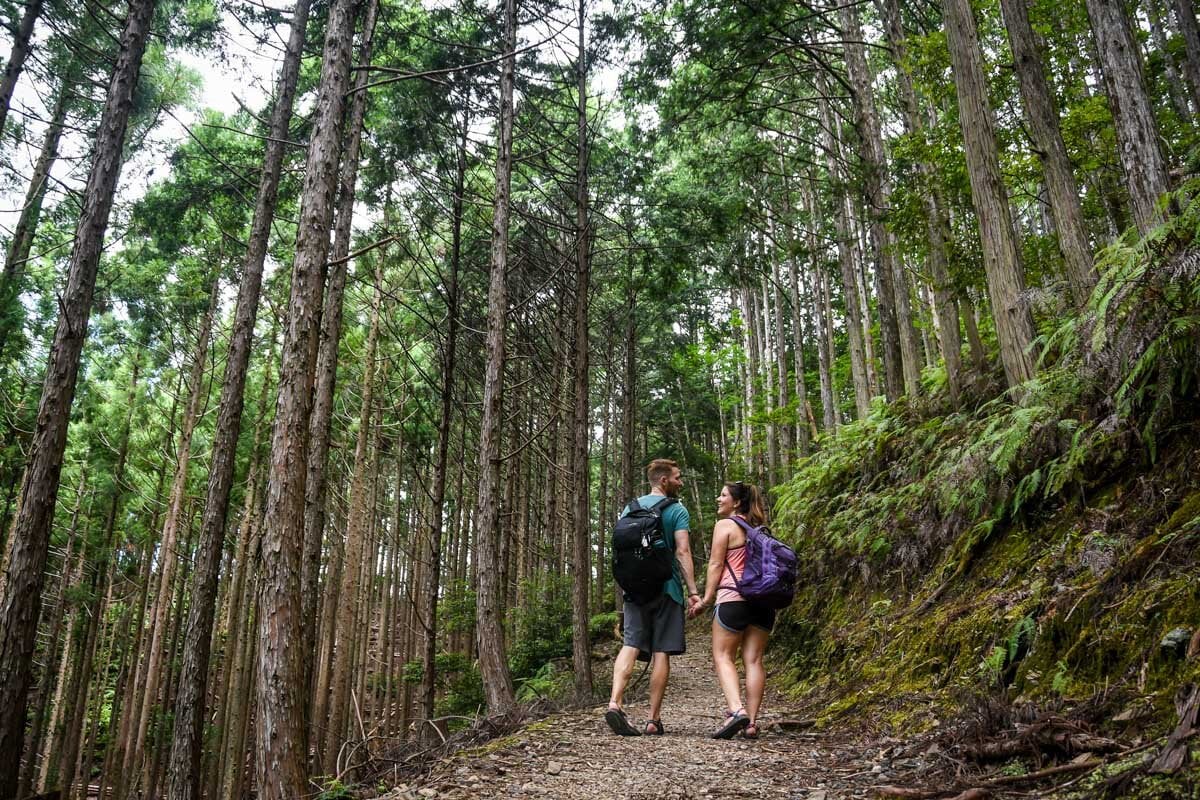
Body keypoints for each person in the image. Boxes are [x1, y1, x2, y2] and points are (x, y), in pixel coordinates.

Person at [605, 458, 702, 736]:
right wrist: (693, 592)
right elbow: (682, 552)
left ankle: (615, 703)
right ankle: (652, 719)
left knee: (631, 643)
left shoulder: (630, 507)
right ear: (664, 480)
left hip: (634, 589)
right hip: (666, 588)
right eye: (677, 477)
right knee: (661, 651)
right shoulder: (676, 510)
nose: (680, 482)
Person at [695, 480, 775, 740]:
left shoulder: (725, 526)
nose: (718, 499)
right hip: (764, 602)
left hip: (733, 599)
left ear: (737, 502)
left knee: (722, 655)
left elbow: (716, 564)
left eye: (723, 495)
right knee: (753, 660)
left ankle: (736, 710)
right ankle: (751, 723)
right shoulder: (760, 529)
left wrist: (706, 598)